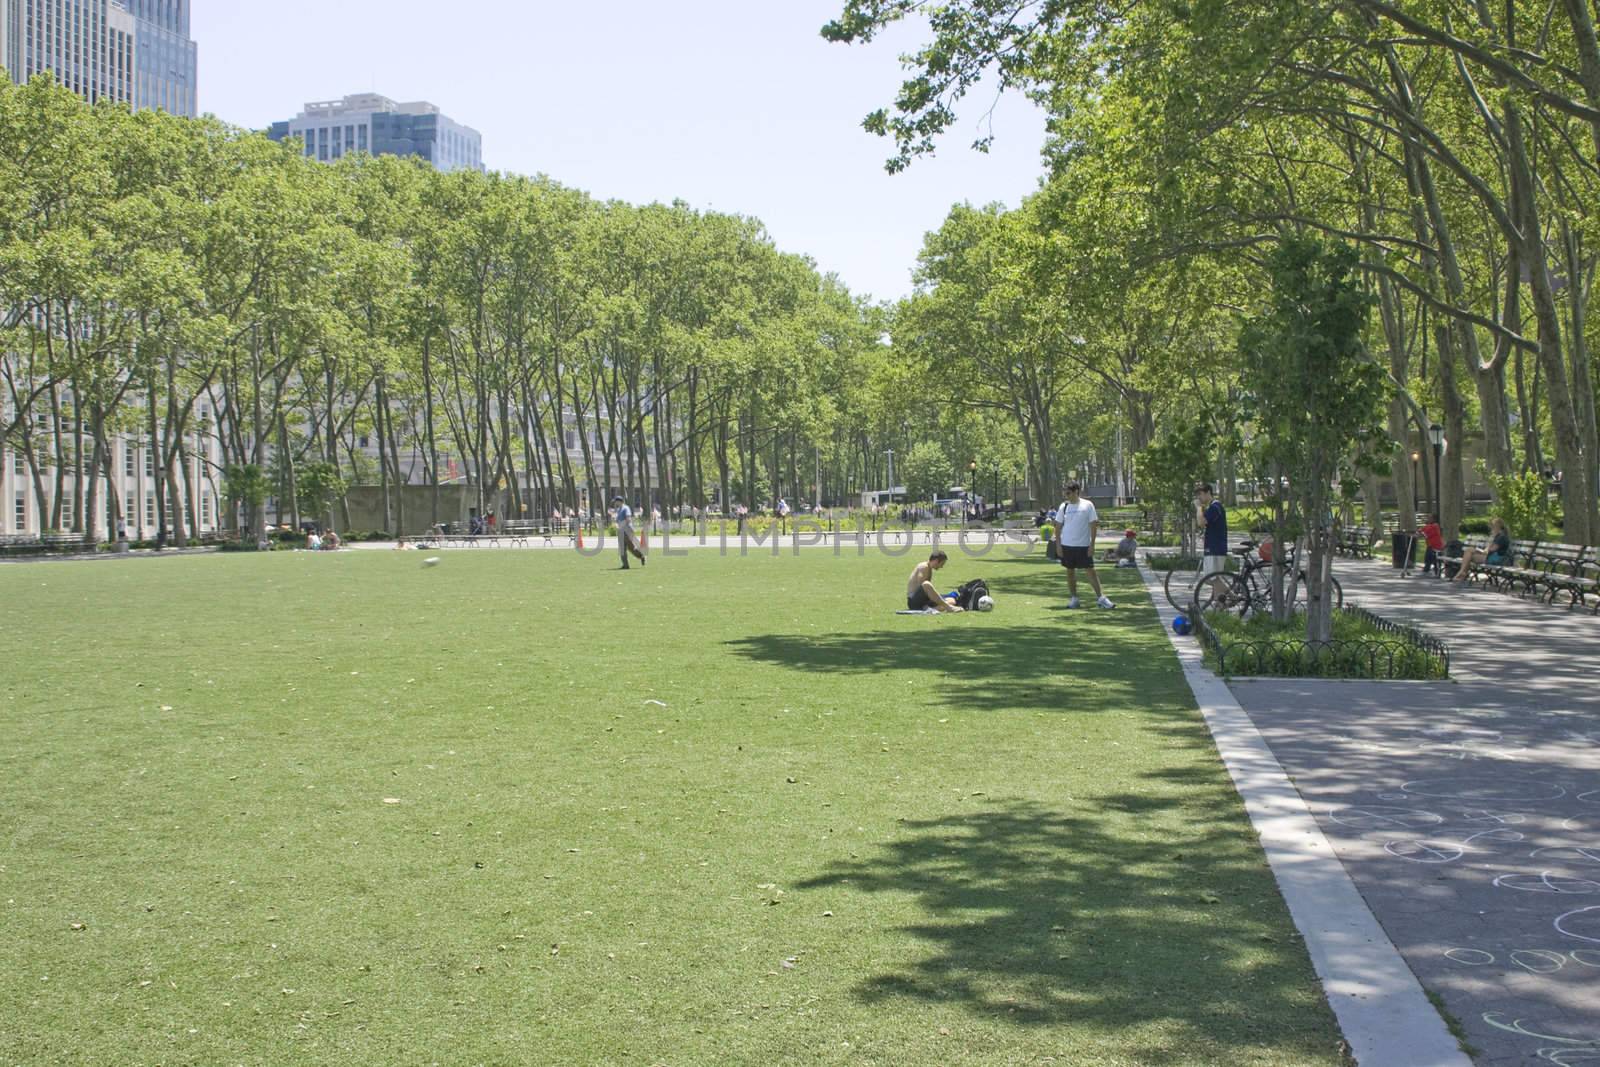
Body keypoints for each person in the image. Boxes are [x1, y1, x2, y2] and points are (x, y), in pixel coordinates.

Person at [1054, 482, 1114, 608]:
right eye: (1065, 492)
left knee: (1090, 571)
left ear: (1076, 491)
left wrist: (1092, 545)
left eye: (1068, 492)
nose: (1066, 495)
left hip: (1083, 545)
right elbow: (1058, 526)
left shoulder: (1088, 505)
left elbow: (1093, 525)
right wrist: (1058, 545)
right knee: (1070, 572)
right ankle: (1074, 599)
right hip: (1067, 545)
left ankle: (1101, 598)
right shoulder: (1064, 506)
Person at [1452, 516, 1510, 583]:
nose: (1491, 530)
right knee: (1469, 551)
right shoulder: (1499, 536)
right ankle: (1462, 573)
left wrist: (1481, 550)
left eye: (1492, 528)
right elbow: (1489, 549)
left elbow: (1492, 549)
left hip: (1496, 559)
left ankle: (1461, 573)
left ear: (1497, 527)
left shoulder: (1501, 537)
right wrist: (1482, 550)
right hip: (1492, 557)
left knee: (1469, 554)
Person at [1197, 483, 1228, 576]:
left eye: (1201, 494)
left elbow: (1201, 522)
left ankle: (1230, 591)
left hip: (1215, 548)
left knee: (1212, 578)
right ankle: (1224, 591)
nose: (1199, 497)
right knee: (1211, 579)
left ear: (1208, 493)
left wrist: (1198, 508)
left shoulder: (1215, 507)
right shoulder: (1212, 507)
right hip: (1212, 547)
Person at [613, 495, 645, 569]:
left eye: (616, 501)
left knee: (631, 548)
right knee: (622, 549)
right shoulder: (619, 509)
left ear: (619, 501)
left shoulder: (626, 508)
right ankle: (625, 565)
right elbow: (617, 520)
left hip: (627, 531)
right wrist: (617, 524)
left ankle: (641, 556)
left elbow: (628, 519)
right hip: (621, 531)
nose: (615, 503)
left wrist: (621, 525)